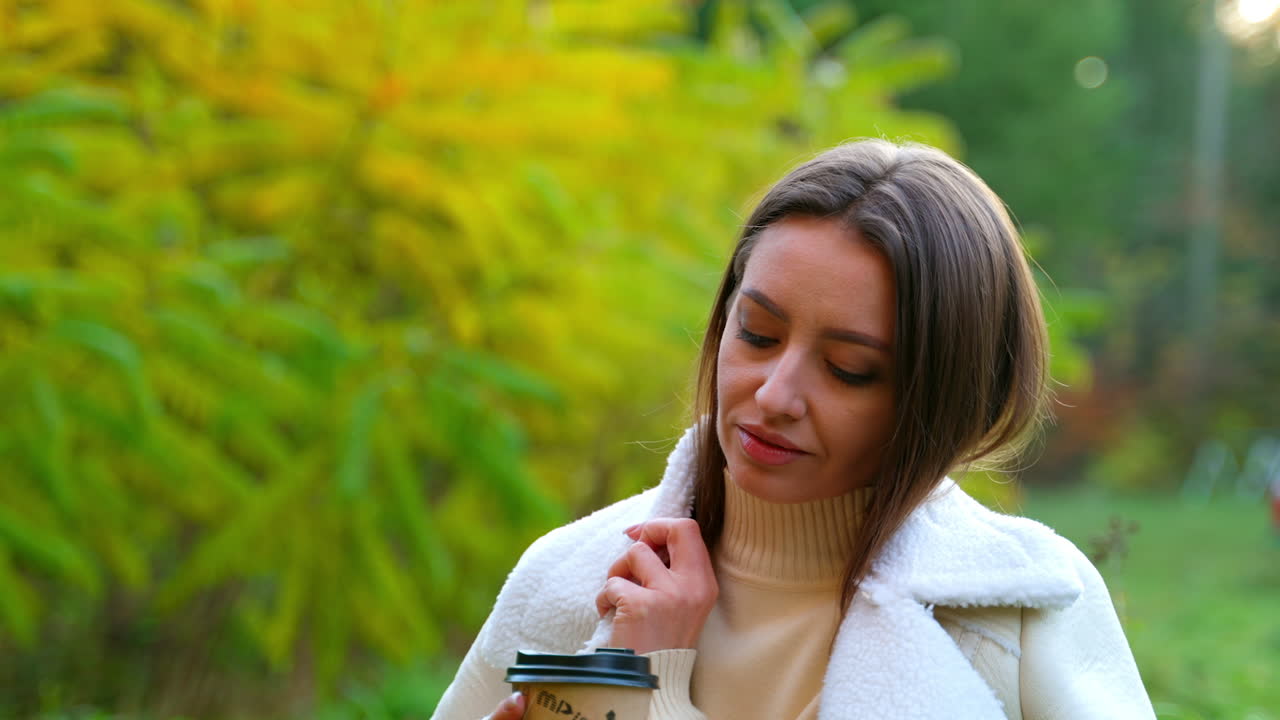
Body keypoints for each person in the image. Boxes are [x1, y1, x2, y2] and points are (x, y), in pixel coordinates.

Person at [432, 140, 1156, 719]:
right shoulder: (570, 579)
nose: (774, 394)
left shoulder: (1022, 613)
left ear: (943, 397)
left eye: (848, 369)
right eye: (757, 333)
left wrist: (650, 695)